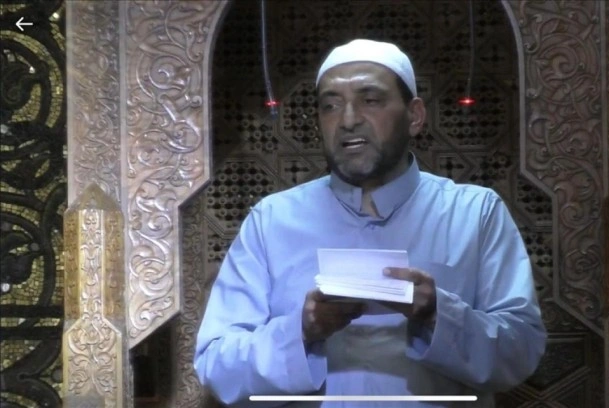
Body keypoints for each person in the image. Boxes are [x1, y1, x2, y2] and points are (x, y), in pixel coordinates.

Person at [194, 39, 547, 407]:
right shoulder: (272, 221)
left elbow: (522, 351)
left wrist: (437, 314)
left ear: (414, 116)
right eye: (331, 105)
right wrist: (301, 330)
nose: (348, 120)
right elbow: (217, 367)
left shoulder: (475, 213)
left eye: (371, 100)